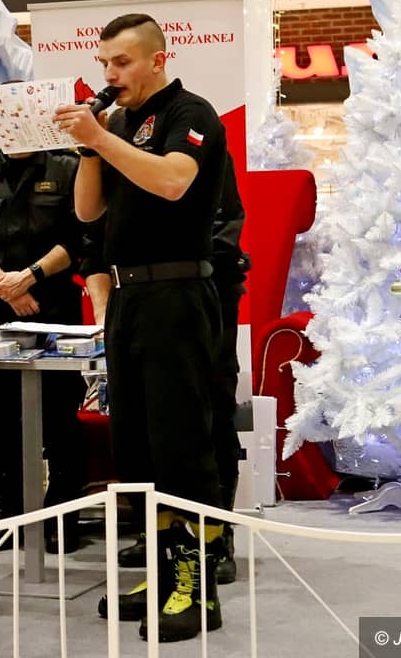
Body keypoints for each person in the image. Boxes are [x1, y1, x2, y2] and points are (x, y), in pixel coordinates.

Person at [54, 13, 227, 642]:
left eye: (121, 62)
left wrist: (101, 141)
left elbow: (174, 181)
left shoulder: (190, 112)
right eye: (104, 63)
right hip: (127, 299)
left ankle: (197, 588)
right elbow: (87, 211)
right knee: (137, 448)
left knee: (180, 445)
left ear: (158, 59)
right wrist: (88, 145)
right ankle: (161, 570)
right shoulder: (119, 124)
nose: (110, 73)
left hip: (176, 294)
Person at [84, 154, 249, 586]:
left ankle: (216, 536)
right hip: (134, 302)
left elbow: (223, 231)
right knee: (141, 426)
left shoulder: (193, 144)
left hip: (201, 295)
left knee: (207, 416)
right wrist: (105, 311)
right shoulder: (114, 153)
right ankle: (158, 534)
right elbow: (94, 239)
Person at [0, 145, 87, 553]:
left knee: (61, 416)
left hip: (54, 306)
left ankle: (62, 515)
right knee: (1, 418)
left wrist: (29, 277)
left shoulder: (68, 165)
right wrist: (5, 285)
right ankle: (8, 512)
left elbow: (79, 236)